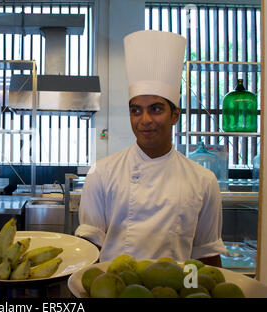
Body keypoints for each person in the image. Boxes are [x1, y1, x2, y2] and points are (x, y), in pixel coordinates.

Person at [75, 30, 226, 267]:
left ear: (175, 115)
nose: (144, 119)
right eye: (136, 110)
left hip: (175, 291)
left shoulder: (203, 180)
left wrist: (194, 292)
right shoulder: (101, 173)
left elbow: (205, 256)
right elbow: (90, 252)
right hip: (114, 290)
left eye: (155, 109)